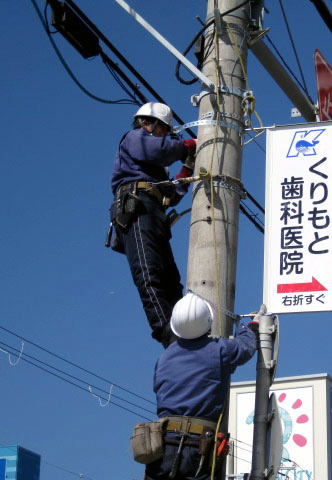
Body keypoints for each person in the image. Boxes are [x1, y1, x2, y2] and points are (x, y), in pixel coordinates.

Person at [109, 102, 197, 348]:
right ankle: (169, 335)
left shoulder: (154, 169)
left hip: (153, 213)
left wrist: (187, 168)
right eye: (164, 131)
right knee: (149, 273)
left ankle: (186, 331)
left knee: (171, 280)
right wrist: (188, 145)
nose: (167, 136)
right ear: (147, 123)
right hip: (136, 207)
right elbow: (159, 150)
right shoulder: (134, 138)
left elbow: (171, 194)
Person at [145, 293, 259, 480]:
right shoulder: (219, 349)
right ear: (208, 323)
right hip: (198, 445)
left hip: (163, 443)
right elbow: (245, 347)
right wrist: (251, 326)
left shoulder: (164, 357)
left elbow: (157, 387)